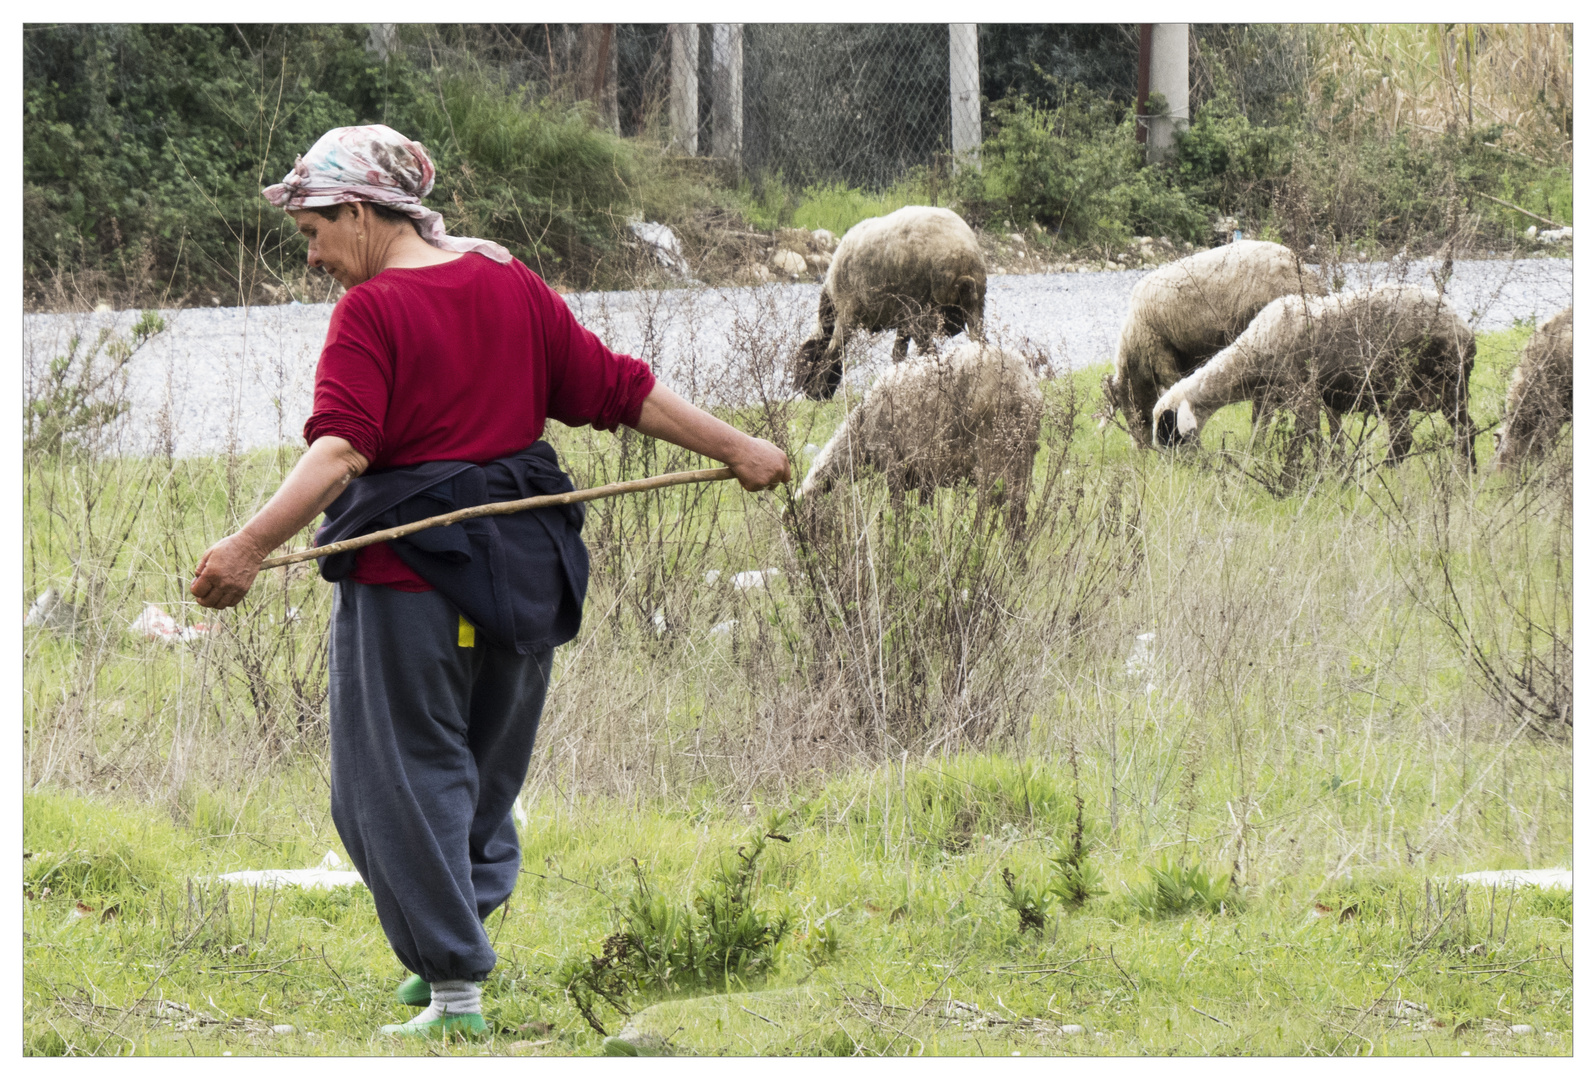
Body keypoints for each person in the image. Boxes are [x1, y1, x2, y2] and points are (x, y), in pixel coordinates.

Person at [189, 125, 790, 1038]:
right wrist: (738, 444)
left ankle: (455, 989)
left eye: (313, 233)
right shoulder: (509, 282)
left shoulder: (373, 312)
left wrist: (247, 545)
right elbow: (618, 390)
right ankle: (451, 933)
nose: (312, 258)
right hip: (522, 572)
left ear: (359, 211)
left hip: (410, 578)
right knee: (478, 767)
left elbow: (343, 448)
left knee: (388, 778)